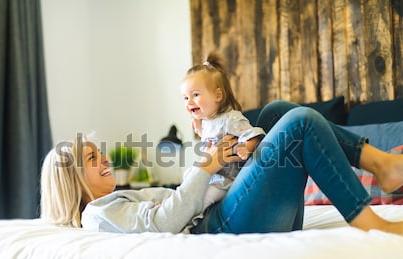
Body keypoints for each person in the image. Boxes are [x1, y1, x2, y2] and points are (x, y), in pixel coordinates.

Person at [40, 76, 403, 237]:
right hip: (220, 226)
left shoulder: (112, 205)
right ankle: (365, 218)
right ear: (72, 184)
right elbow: (166, 222)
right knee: (300, 121)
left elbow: (178, 202)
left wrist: (222, 148)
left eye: (98, 153)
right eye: (92, 159)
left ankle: (383, 165)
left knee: (275, 113)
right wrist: (207, 164)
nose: (104, 159)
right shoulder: (97, 213)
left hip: (233, 212)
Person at [181, 52, 265, 209]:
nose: (189, 102)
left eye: (195, 95)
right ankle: (174, 204)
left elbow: (254, 135)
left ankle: (194, 220)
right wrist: (200, 130)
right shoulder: (207, 121)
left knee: (204, 199)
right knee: (187, 177)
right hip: (210, 175)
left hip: (225, 180)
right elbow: (211, 143)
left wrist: (246, 147)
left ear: (218, 95)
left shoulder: (230, 119)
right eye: (185, 98)